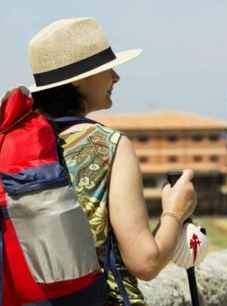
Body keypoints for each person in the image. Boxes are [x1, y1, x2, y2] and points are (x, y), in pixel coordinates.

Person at [28, 17, 197, 306]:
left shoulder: (15, 142)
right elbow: (146, 262)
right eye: (107, 70)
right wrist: (175, 211)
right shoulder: (107, 145)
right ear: (79, 79)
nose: (116, 77)